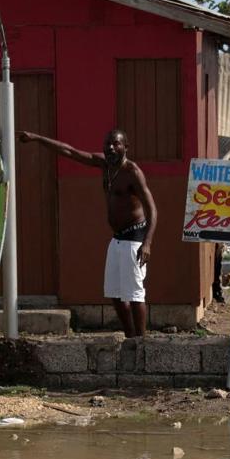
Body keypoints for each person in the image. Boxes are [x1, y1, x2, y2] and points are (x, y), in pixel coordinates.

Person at [19, 127, 158, 337]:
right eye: (107, 144)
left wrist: (147, 242)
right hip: (118, 239)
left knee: (135, 294)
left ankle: (141, 341)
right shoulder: (104, 164)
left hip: (134, 239)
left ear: (125, 147)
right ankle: (131, 337)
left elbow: (152, 209)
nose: (110, 148)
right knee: (114, 293)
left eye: (116, 144)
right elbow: (70, 151)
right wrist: (37, 138)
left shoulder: (132, 172)